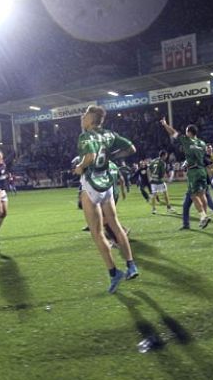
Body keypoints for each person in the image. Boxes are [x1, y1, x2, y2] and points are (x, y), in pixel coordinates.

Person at [73, 105, 139, 293]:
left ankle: (114, 273)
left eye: (85, 114)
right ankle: (131, 265)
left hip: (92, 184)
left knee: (96, 232)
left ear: (91, 119)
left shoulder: (86, 136)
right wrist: (112, 156)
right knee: (116, 225)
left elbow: (90, 157)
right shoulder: (109, 134)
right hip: (107, 183)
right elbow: (131, 148)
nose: (82, 117)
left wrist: (80, 167)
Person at [160, 117, 212, 229]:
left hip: (193, 171)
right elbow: (205, 155)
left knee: (194, 195)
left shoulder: (186, 140)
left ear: (189, 132)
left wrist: (165, 124)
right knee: (202, 194)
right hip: (202, 170)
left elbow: (173, 133)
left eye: (186, 131)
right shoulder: (202, 143)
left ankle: (203, 216)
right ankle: (205, 215)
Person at [180, 160, 213, 229]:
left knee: (210, 204)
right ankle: (186, 224)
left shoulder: (192, 159)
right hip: (199, 186)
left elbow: (184, 168)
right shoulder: (198, 158)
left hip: (197, 186)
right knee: (187, 205)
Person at [148, 150, 173, 215]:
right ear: (163, 155)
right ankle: (169, 208)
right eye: (166, 155)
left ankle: (154, 209)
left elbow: (148, 169)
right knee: (165, 193)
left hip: (153, 181)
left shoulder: (153, 161)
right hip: (159, 181)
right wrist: (167, 179)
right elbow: (162, 174)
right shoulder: (162, 163)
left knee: (154, 195)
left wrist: (150, 177)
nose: (166, 157)